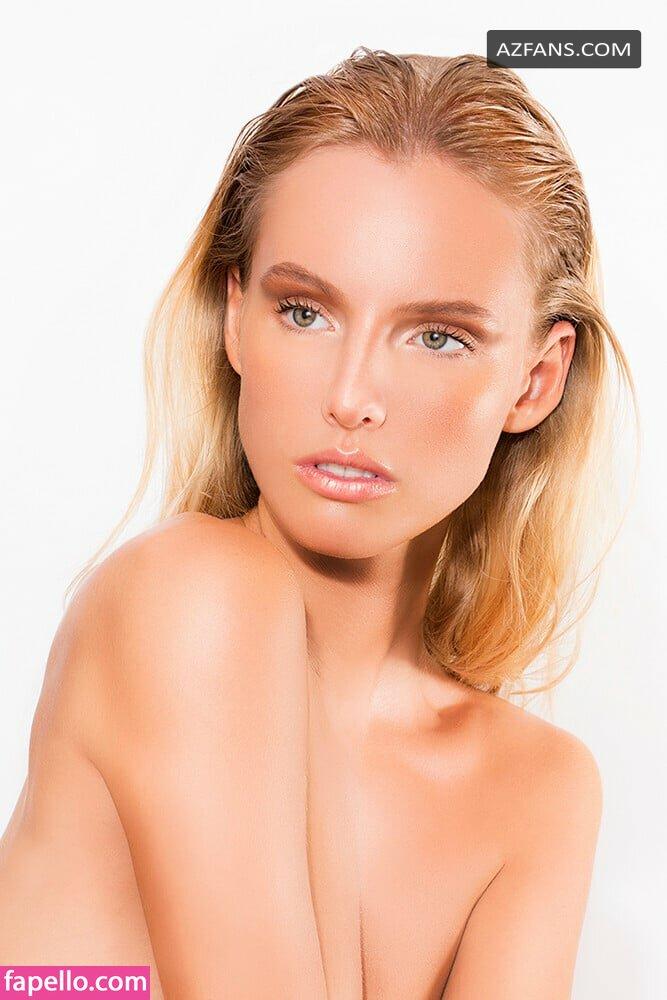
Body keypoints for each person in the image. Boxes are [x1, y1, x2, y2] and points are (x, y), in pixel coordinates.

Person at [0, 47, 638, 999]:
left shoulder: (538, 789)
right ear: (235, 318)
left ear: (535, 381)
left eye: (436, 336)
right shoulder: (188, 598)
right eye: (304, 312)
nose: (350, 396)